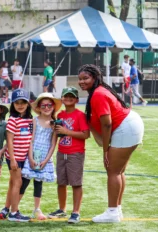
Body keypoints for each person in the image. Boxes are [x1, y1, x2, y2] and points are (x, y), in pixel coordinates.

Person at [78, 64, 144, 223]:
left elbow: (106, 124)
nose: (81, 82)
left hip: (126, 127)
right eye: (80, 79)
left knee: (113, 171)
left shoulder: (98, 94)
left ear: (95, 78)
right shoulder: (97, 92)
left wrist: (106, 150)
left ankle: (112, 212)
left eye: (85, 78)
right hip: (129, 124)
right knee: (118, 171)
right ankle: (117, 209)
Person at [47, 87, 90, 224]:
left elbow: (86, 134)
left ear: (76, 99)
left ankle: (76, 212)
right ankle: (62, 209)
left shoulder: (80, 115)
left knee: (76, 183)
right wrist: (55, 129)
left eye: (72, 96)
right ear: (62, 99)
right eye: (66, 96)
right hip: (62, 152)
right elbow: (58, 134)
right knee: (61, 182)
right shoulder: (60, 115)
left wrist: (67, 131)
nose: (69, 98)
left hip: (75, 153)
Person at [22, 92, 60, 220]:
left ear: (53, 106)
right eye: (43, 106)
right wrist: (31, 157)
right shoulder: (35, 120)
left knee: (38, 183)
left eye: (49, 105)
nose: (46, 108)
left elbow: (53, 144)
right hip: (32, 154)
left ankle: (37, 209)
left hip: (44, 157)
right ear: (38, 107)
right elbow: (31, 140)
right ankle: (14, 208)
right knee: (24, 181)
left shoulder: (55, 123)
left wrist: (46, 160)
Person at [0, 88, 33, 222]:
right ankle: (14, 212)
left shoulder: (30, 120)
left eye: (23, 102)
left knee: (14, 183)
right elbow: (9, 140)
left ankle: (7, 208)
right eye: (17, 102)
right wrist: (12, 159)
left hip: (24, 157)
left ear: (28, 103)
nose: (20, 105)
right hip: (15, 157)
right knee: (17, 183)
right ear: (12, 104)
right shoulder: (13, 120)